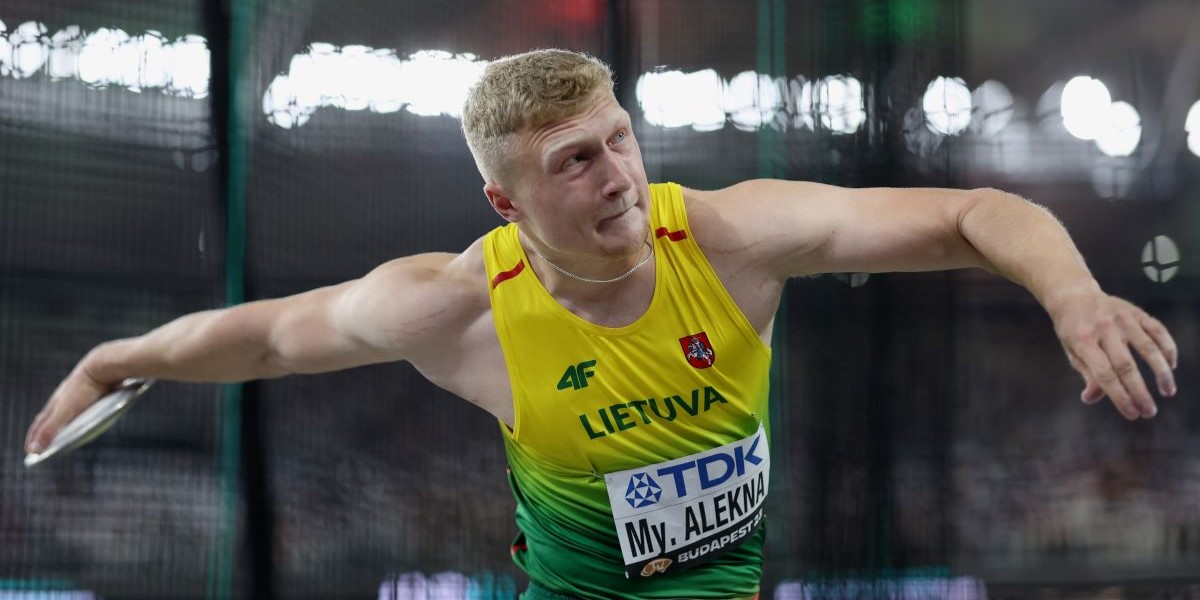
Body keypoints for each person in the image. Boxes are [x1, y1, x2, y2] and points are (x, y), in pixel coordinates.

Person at [24, 49, 1178, 599]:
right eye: (576, 163)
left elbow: (976, 209)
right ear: (506, 201)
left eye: (620, 137)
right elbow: (271, 337)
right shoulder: (456, 306)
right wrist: (113, 358)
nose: (620, 175)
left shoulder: (727, 236)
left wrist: (1071, 295)